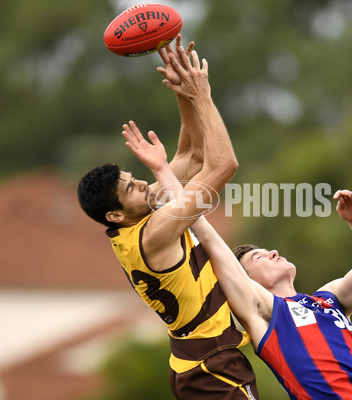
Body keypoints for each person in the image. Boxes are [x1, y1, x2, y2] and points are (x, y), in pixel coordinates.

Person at [77, 36, 259, 400]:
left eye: (133, 177)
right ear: (114, 214)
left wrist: (181, 90)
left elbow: (192, 156)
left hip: (199, 363)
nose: (142, 184)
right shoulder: (154, 233)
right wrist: (202, 94)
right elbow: (223, 166)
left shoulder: (137, 216)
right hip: (212, 369)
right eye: (131, 188)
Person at [192, 191, 352, 399]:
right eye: (258, 257)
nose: (273, 252)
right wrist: (168, 178)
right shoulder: (267, 315)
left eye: (267, 251)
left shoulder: (328, 298)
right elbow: (212, 242)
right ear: (247, 281)